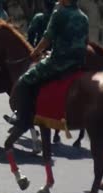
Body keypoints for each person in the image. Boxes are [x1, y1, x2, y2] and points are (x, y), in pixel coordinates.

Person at [10, 0, 89, 135]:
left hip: (58, 63)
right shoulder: (84, 17)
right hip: (77, 64)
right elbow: (85, 42)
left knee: (24, 81)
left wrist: (35, 52)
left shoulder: (59, 13)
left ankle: (23, 119)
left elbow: (47, 38)